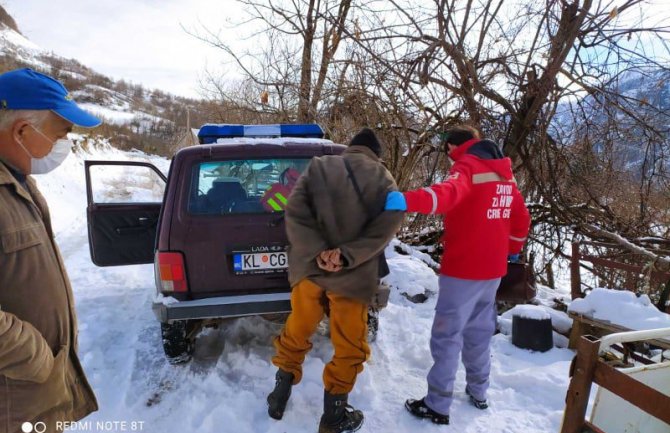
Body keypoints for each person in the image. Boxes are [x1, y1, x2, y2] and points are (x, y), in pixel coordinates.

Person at [385, 125, 530, 425]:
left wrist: (406, 199)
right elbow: (521, 218)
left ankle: (437, 404)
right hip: (493, 271)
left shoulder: (466, 167)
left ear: (453, 148)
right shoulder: (505, 173)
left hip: (463, 270)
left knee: (447, 336)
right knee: (479, 332)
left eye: (447, 152)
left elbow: (446, 195)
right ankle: (479, 392)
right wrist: (512, 249)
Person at [267, 128, 404, 433]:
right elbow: (388, 226)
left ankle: (278, 396)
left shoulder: (318, 167)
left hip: (308, 270)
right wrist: (344, 255)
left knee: (298, 328)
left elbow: (295, 212)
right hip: (352, 276)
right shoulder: (385, 180)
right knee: (349, 344)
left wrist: (318, 252)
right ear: (376, 155)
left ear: (351, 149)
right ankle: (334, 417)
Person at [0, 68, 102, 433]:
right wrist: (35, 356)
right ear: (23, 131)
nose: (64, 144)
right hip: (11, 404)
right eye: (61, 134)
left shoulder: (16, 178)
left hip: (31, 400)